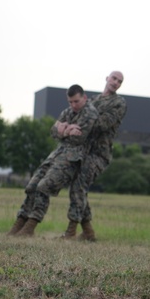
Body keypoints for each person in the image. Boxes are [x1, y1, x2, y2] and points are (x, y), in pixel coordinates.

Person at [6, 85, 99, 237]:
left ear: (84, 97)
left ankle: (30, 226)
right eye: (70, 102)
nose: (73, 105)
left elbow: (79, 137)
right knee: (32, 186)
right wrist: (67, 130)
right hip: (57, 155)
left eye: (76, 101)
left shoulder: (90, 112)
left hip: (73, 159)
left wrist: (63, 129)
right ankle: (19, 223)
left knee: (44, 187)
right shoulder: (68, 112)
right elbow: (53, 131)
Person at [62, 70, 127, 241]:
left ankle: (70, 232)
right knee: (78, 188)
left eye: (119, 81)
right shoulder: (93, 100)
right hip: (83, 151)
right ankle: (88, 232)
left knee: (78, 187)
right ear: (107, 78)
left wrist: (79, 124)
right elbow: (75, 115)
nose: (115, 82)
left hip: (99, 154)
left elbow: (101, 124)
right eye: (114, 78)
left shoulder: (119, 103)